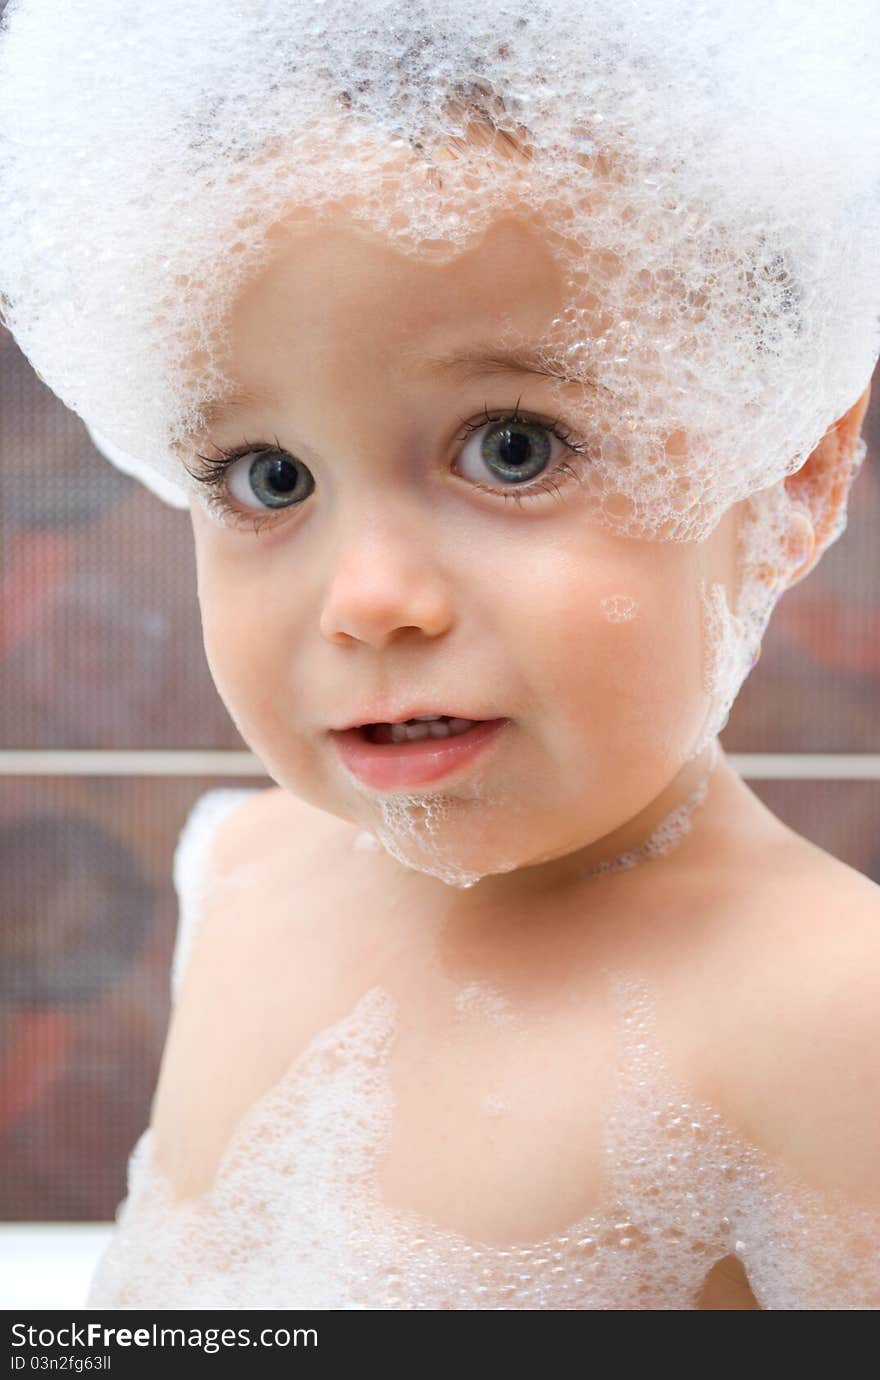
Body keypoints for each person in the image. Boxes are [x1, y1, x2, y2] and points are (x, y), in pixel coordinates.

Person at [1, 0, 878, 1309]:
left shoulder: (825, 1018)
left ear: (792, 476)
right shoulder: (242, 871)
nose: (369, 601)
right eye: (270, 473)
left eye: (511, 447)